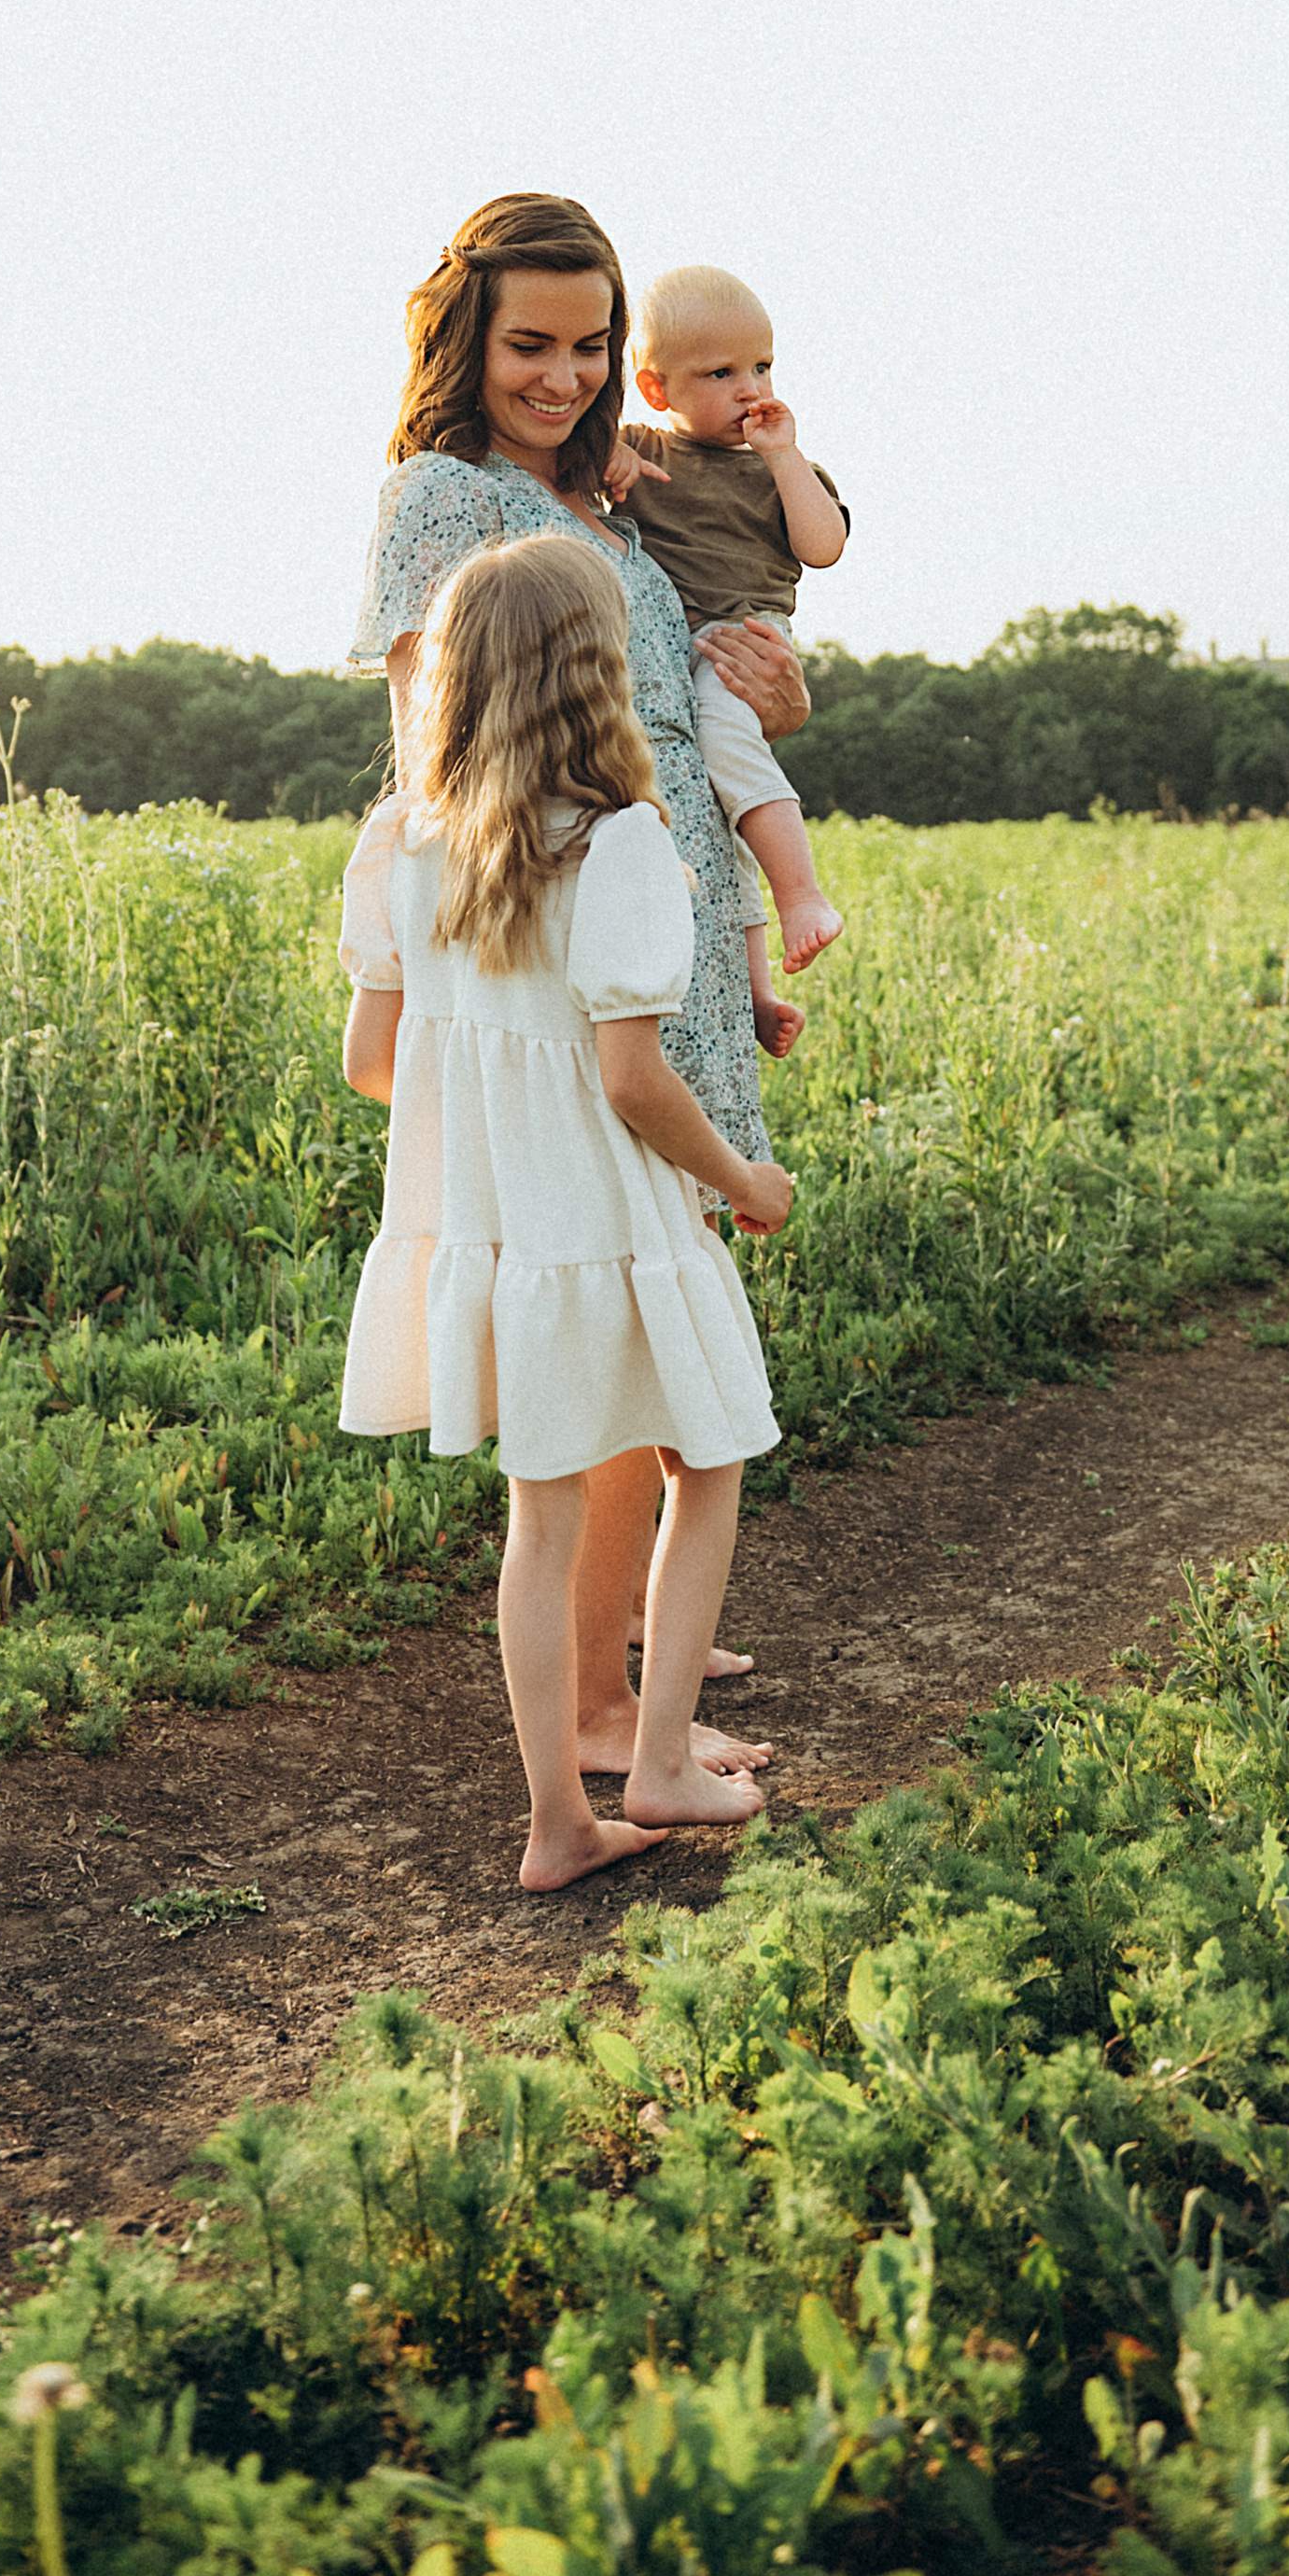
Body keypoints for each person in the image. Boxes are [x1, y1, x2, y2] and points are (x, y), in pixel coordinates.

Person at [349, 190, 807, 1722]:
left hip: (662, 929)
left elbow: (678, 710)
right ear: (465, 341)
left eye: (589, 344)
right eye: (527, 343)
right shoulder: (446, 498)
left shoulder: (619, 501)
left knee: (655, 1317)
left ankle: (627, 1667)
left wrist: (764, 717)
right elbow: (432, 764)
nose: (559, 372)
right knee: (618, 1315)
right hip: (564, 939)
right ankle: (610, 1716)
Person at [337, 535, 794, 1889]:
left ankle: (558, 1821)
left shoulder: (402, 843)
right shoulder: (622, 843)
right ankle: (655, 1760)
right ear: (599, 675)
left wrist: (484, 1102)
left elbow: (374, 1062)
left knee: (540, 1522)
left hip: (503, 1229)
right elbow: (633, 1079)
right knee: (704, 1466)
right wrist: (744, 1181)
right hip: (618, 1220)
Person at [612, 265, 848, 1029]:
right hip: (668, 652)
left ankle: (801, 892)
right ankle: (756, 989)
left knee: (729, 750)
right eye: (721, 373)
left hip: (742, 640)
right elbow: (579, 475)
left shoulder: (785, 471)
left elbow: (825, 547)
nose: (750, 388)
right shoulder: (641, 447)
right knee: (713, 814)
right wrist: (605, 463)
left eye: (762, 366)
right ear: (657, 389)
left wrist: (783, 457)